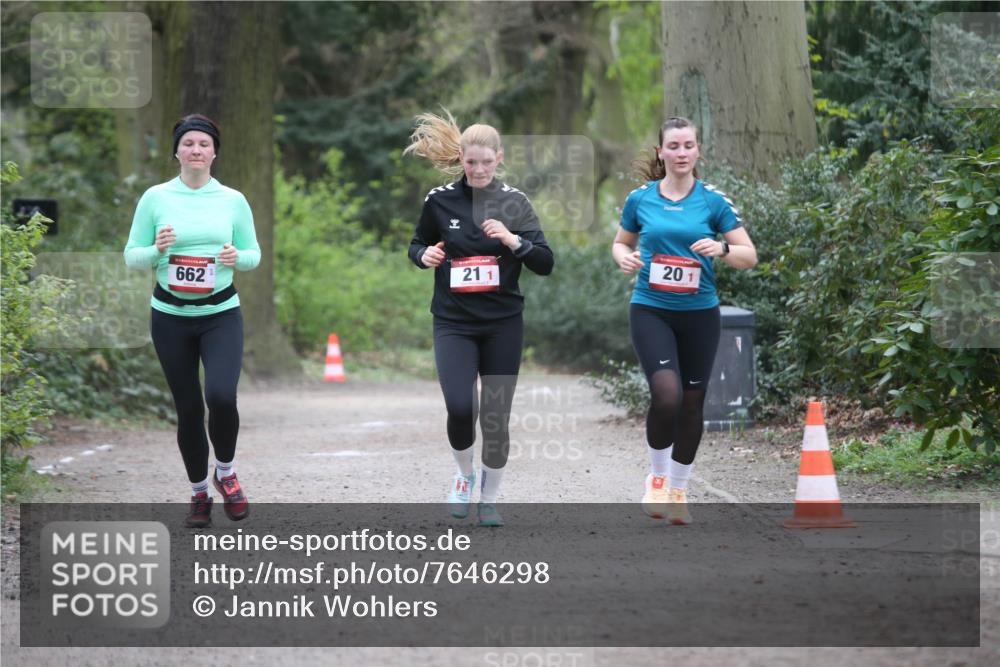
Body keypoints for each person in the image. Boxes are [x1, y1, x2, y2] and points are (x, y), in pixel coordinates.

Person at [404, 110, 554, 527]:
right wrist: (424, 255)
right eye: (471, 162)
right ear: (461, 159)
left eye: (487, 162)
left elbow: (545, 262)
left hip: (503, 322)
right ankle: (464, 476)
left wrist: (512, 239)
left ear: (499, 158)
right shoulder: (439, 200)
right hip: (453, 321)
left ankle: (490, 497)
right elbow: (416, 243)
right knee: (459, 406)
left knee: (495, 415)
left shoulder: (516, 202)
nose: (479, 169)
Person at [611, 117, 757, 524]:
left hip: (699, 314)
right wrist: (623, 256)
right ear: (660, 151)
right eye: (672, 146)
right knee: (667, 395)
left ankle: (678, 489)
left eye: (687, 145)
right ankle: (657, 480)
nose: (680, 153)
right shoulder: (640, 199)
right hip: (651, 309)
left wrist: (722, 247)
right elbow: (622, 241)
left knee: (693, 404)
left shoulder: (713, 201)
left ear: (697, 151)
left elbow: (749, 255)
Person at [124, 113, 260, 527]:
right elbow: (132, 255)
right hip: (170, 317)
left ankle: (227, 472)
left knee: (221, 397)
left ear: (214, 152)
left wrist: (238, 258)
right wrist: (156, 249)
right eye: (188, 144)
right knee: (187, 408)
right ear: (177, 151)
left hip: (221, 314)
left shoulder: (233, 200)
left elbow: (253, 255)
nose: (196, 150)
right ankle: (199, 493)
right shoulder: (155, 198)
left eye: (203, 144)